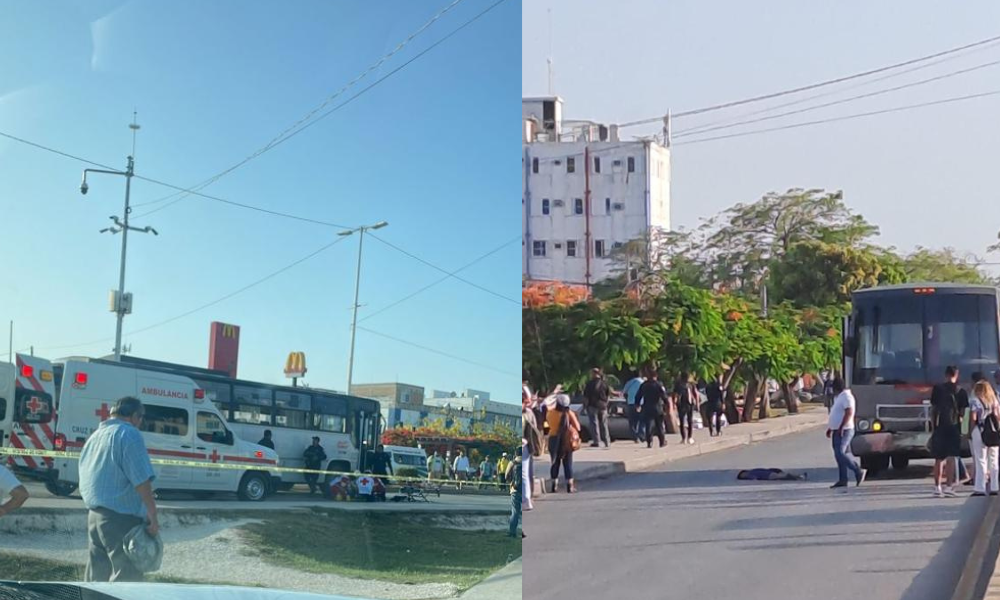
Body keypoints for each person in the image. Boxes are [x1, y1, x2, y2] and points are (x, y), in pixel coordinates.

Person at [79, 397, 158, 582]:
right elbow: (141, 479)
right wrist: (152, 514)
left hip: (94, 516)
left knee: (96, 578)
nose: (140, 423)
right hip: (120, 518)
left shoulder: (95, 436)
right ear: (134, 416)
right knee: (127, 577)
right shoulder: (129, 434)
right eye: (141, 418)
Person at [930, 366, 965, 498]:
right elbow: (963, 412)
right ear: (957, 374)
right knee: (951, 458)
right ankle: (949, 487)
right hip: (954, 426)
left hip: (940, 426)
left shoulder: (937, 389)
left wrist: (933, 427)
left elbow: (933, 410)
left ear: (945, 375)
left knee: (939, 458)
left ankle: (937, 487)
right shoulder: (960, 391)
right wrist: (963, 428)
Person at [827, 377, 866, 489]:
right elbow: (836, 413)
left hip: (845, 429)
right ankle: (843, 479)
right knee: (838, 455)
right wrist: (831, 427)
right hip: (837, 429)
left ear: (837, 388)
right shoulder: (839, 397)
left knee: (840, 452)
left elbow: (849, 413)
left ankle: (857, 470)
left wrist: (841, 427)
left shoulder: (847, 397)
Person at [968, 380, 1000, 496]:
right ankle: (994, 487)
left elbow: (973, 418)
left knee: (981, 459)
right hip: (994, 431)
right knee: (994, 459)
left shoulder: (975, 401)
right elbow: (997, 416)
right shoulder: (994, 401)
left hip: (979, 430)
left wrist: (970, 432)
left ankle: (980, 487)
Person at [546, 393, 581, 493]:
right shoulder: (569, 413)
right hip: (566, 440)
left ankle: (554, 485)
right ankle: (570, 485)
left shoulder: (550, 413)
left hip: (553, 439)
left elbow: (548, 424)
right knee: (568, 463)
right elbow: (578, 427)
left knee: (554, 462)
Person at [636, 369, 668, 448]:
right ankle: (662, 441)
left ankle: (649, 442)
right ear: (656, 376)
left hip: (647, 407)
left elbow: (638, 395)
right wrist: (667, 405)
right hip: (657, 407)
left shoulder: (644, 385)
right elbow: (664, 396)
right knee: (659, 425)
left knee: (648, 425)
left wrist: (637, 404)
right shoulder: (659, 385)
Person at [583, 367, 611, 448]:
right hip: (603, 406)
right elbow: (608, 395)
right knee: (604, 424)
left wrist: (585, 406)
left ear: (594, 374)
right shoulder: (604, 383)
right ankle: (607, 441)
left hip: (593, 405)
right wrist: (606, 404)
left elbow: (586, 397)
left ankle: (597, 441)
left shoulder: (589, 384)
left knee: (594, 424)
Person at [622, 370, 646, 443]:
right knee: (642, 421)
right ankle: (642, 435)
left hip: (631, 403)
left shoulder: (629, 382)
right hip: (641, 403)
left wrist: (628, 399)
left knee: (632, 422)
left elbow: (624, 392)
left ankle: (635, 437)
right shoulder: (643, 382)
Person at [675, 372, 697, 445]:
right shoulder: (679, 385)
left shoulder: (691, 384)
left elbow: (695, 393)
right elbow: (676, 395)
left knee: (689, 420)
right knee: (683, 421)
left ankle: (689, 437)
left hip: (690, 403)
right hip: (682, 404)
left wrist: (696, 402)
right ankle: (684, 438)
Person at [507, 453, 523, 539]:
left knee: (515, 512)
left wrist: (511, 482)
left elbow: (506, 476)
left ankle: (512, 532)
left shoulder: (513, 463)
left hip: (515, 490)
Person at [737, 468, 807, 481]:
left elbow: (755, 478)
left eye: (743, 474)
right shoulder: (752, 471)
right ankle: (799, 476)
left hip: (768, 475)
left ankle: (798, 477)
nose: (744, 475)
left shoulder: (751, 473)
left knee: (783, 476)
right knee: (783, 476)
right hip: (769, 474)